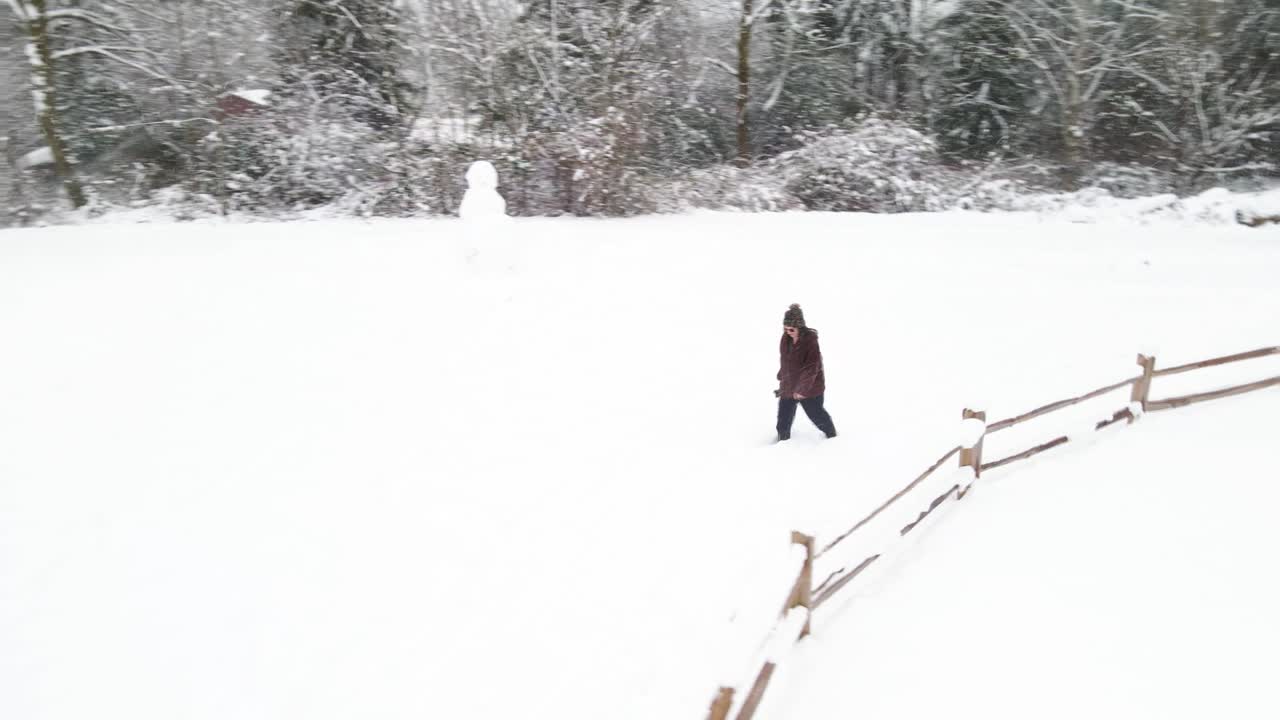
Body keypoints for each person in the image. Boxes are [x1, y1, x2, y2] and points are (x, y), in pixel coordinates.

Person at [775, 304, 837, 441]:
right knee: (783, 417)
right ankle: (782, 442)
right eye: (785, 329)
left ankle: (833, 437)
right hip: (789, 385)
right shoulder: (785, 339)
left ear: (800, 327)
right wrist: (782, 375)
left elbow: (811, 367)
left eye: (791, 329)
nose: (788, 332)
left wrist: (802, 389)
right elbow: (785, 359)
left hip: (810, 388)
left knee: (817, 415)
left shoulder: (810, 342)